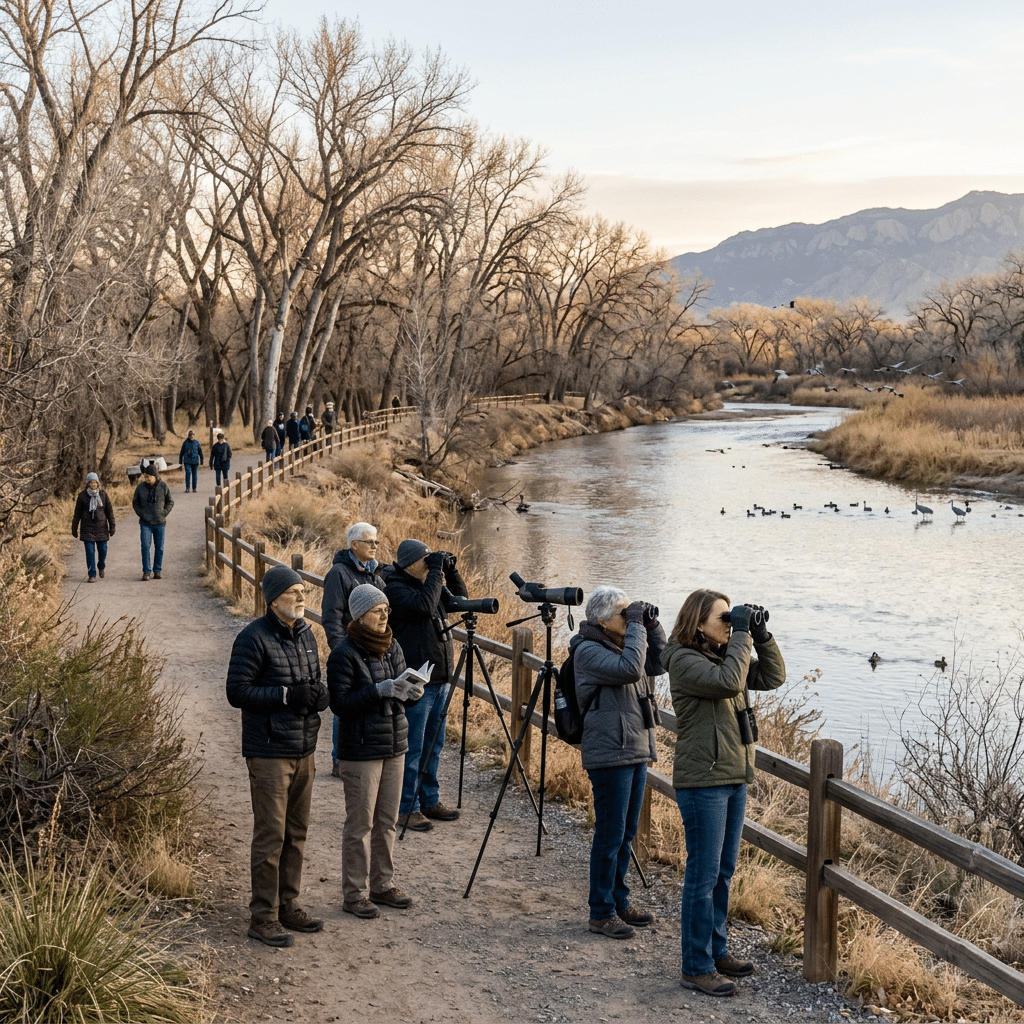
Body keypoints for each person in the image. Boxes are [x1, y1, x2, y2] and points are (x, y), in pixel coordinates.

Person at [662, 591, 785, 997]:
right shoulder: (684, 661)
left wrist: (760, 635)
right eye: (723, 619)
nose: (731, 625)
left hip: (732, 776)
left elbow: (772, 677)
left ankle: (715, 951)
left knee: (723, 872)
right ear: (698, 623)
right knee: (703, 877)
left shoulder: (720, 656)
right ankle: (696, 966)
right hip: (704, 781)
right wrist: (742, 636)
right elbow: (729, 682)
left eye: (733, 620)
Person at [226, 565, 330, 948]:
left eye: (303, 590)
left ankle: (289, 904)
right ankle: (263, 916)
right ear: (273, 599)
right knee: (271, 834)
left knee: (297, 833)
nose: (302, 597)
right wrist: (286, 696)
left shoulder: (307, 634)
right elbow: (236, 691)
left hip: (304, 747)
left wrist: (320, 696)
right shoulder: (252, 638)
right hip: (269, 750)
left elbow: (314, 682)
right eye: (293, 592)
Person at [569, 585, 666, 940]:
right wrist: (638, 626)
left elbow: (658, 661)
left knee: (626, 833)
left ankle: (619, 900)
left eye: (631, 613)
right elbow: (630, 669)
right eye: (623, 614)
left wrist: (651, 626)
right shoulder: (589, 651)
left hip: (634, 746)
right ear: (601, 619)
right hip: (610, 752)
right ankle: (601, 912)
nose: (629, 619)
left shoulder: (622, 643)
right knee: (610, 835)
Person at [328, 585, 418, 919]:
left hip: (395, 744)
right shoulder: (343, 653)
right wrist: (377, 691)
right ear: (360, 614)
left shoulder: (393, 645)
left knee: (387, 821)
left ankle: (382, 885)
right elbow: (339, 705)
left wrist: (413, 691)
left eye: (386, 610)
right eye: (377, 611)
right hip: (361, 750)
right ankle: (354, 894)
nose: (384, 616)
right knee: (360, 823)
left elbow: (403, 691)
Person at [383, 539, 468, 832]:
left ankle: (429, 800)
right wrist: (435, 573)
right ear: (412, 563)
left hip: (440, 678)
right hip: (418, 680)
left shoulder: (428, 584)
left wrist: (450, 571)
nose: (433, 565)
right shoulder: (395, 587)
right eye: (427, 560)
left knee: (434, 744)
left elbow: (460, 600)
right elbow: (422, 608)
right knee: (414, 746)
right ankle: (407, 808)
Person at [322, 522, 387, 775]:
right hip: (350, 650)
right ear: (354, 545)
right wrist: (342, 651)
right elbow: (331, 616)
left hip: (374, 650)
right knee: (345, 703)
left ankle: (366, 753)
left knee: (366, 701)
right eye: (369, 541)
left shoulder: (374, 573)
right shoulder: (339, 573)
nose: (374, 545)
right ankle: (340, 759)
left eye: (376, 542)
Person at [131, 459, 173, 581]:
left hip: (160, 523)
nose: (146, 479)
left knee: (159, 547)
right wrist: (141, 514)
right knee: (145, 546)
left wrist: (164, 513)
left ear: (155, 476)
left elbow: (170, 501)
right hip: (145, 523)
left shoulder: (163, 486)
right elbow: (135, 502)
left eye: (149, 477)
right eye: (145, 477)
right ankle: (146, 571)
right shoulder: (140, 488)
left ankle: (157, 570)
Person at [71, 472, 115, 582]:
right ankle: (92, 574)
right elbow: (77, 514)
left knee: (103, 550)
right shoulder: (82, 496)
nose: (93, 485)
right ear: (88, 484)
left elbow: (109, 512)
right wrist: (74, 527)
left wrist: (112, 526)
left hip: (101, 528)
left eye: (95, 482)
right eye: (91, 482)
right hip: (87, 528)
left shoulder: (103, 495)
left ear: (98, 483)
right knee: (90, 552)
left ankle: (101, 565)